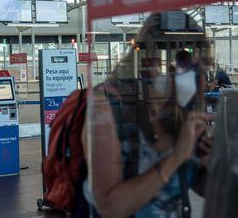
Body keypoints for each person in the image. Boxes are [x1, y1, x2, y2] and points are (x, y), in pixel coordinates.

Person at [82, 12, 214, 217]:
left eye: (191, 68)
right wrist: (177, 156)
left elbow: (199, 186)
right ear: (144, 62)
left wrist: (209, 164)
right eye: (170, 66)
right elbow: (109, 206)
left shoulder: (180, 112)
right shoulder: (106, 105)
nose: (181, 77)